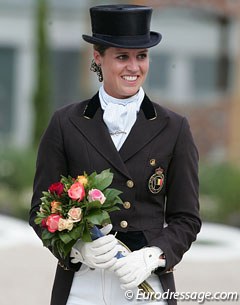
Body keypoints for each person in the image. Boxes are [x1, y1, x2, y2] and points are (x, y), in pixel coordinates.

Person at [29, 4, 201, 305]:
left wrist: (154, 255)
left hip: (144, 281)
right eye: (122, 57)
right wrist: (77, 248)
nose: (134, 67)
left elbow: (186, 218)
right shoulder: (64, 123)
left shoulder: (174, 127)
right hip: (82, 284)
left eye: (141, 56)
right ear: (98, 57)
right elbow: (40, 213)